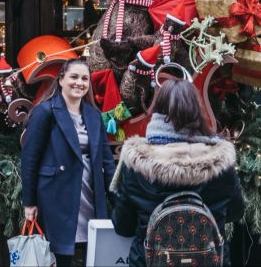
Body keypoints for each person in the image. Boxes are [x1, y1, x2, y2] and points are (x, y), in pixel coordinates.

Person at [111, 79, 244, 267]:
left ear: (156, 109)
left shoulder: (136, 161)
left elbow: (123, 225)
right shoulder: (221, 161)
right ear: (197, 111)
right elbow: (236, 211)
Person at [20, 59, 116, 266]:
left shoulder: (93, 115)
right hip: (57, 195)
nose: (79, 83)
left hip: (90, 193)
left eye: (84, 79)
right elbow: (29, 159)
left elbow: (107, 161)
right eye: (74, 77)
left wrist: (117, 199)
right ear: (61, 79)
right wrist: (29, 202)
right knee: (61, 255)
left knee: (92, 254)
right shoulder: (45, 111)